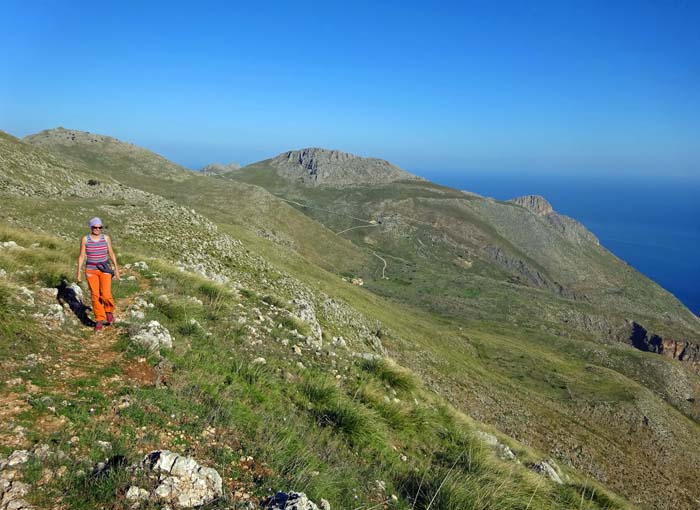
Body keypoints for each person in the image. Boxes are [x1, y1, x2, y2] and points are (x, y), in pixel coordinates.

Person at [76, 217, 120, 331]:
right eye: (95, 227)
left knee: (105, 293)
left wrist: (116, 268)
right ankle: (99, 319)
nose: (97, 229)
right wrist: (79, 273)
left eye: (99, 227)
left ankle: (109, 311)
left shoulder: (106, 238)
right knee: (95, 295)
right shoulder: (85, 239)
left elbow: (111, 253)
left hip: (105, 269)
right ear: (91, 227)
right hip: (91, 270)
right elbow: (81, 256)